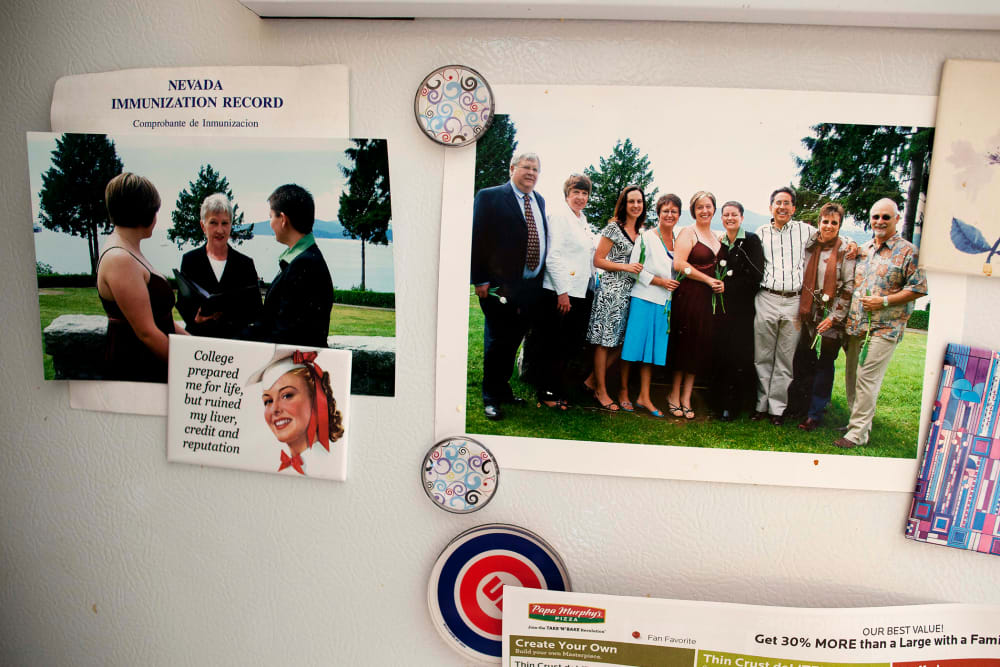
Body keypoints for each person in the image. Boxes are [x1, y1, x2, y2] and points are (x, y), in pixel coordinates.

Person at [834, 198, 927, 449]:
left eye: (886, 217)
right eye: (875, 217)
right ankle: (857, 422)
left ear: (897, 219)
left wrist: (884, 301)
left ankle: (857, 434)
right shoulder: (864, 249)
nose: (880, 221)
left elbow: (918, 288)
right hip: (857, 326)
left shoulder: (909, 252)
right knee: (853, 376)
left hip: (885, 327)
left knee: (867, 377)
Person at [470, 152, 547, 421]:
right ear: (512, 168)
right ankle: (490, 398)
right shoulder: (489, 197)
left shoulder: (539, 200)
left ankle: (502, 390)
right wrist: (480, 279)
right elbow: (477, 238)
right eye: (526, 167)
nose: (531, 173)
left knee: (513, 341)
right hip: (499, 286)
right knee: (497, 341)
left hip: (529, 287)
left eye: (536, 169)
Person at [96, 172, 188, 382]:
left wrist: (197, 347)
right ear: (143, 212)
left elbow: (161, 318)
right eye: (155, 211)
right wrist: (190, 369)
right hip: (138, 368)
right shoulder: (120, 259)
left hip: (151, 363)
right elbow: (146, 332)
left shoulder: (129, 250)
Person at [787, 202, 855, 431]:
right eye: (825, 221)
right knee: (803, 358)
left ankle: (815, 412)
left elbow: (849, 286)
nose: (829, 226)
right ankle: (800, 404)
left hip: (831, 317)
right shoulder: (809, 245)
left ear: (840, 225)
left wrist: (834, 317)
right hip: (808, 313)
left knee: (825, 363)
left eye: (834, 223)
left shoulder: (845, 250)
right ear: (819, 222)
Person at [751, 186, 814, 426]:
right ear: (771, 207)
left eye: (787, 203)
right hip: (766, 298)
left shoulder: (805, 231)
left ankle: (777, 409)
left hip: (794, 301)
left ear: (793, 208)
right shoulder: (761, 233)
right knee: (762, 356)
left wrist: (850, 245)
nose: (782, 207)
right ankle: (761, 405)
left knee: (785, 358)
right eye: (778, 203)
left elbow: (831, 236)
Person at [535, 173, 597, 410]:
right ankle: (546, 391)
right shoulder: (560, 217)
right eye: (576, 192)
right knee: (553, 344)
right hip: (560, 292)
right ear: (566, 194)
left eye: (584, 193)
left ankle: (558, 388)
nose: (580, 197)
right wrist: (563, 292)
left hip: (579, 292)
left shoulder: (581, 218)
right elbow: (553, 257)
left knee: (567, 345)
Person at [248, 184, 334, 348]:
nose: (270, 223)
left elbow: (285, 335)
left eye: (271, 217)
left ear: (283, 219)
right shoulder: (304, 260)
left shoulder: (304, 265)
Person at [620, 194, 682, 417]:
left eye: (674, 211)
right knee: (632, 347)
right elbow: (634, 269)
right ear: (658, 213)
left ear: (679, 215)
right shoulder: (646, 237)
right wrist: (660, 281)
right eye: (665, 211)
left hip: (664, 303)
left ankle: (644, 397)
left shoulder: (678, 240)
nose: (669, 215)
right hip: (644, 298)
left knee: (651, 352)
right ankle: (623, 391)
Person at [585, 185, 645, 412]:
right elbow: (598, 260)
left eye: (639, 201)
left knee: (624, 341)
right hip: (611, 292)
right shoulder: (613, 228)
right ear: (624, 204)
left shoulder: (642, 232)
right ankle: (601, 391)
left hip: (632, 293)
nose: (636, 205)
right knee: (604, 342)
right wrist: (626, 267)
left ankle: (592, 380)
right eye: (631, 201)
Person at [666, 190, 723, 420]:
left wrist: (718, 283)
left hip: (708, 301)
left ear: (714, 209)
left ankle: (687, 396)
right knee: (685, 346)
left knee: (698, 347)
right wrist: (707, 280)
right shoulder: (688, 233)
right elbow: (679, 264)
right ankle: (673, 394)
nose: (704, 211)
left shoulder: (717, 237)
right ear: (693, 211)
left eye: (708, 206)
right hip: (689, 296)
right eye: (700, 207)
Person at [176, 193, 262, 339]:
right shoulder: (190, 260)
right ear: (203, 226)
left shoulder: (245, 264)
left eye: (225, 223)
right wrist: (195, 317)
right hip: (200, 340)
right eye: (213, 223)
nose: (220, 230)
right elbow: (183, 302)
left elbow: (256, 309)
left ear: (231, 225)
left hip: (234, 341)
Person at [250, 348, 345, 476]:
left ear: (316, 398)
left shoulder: (327, 468)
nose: (274, 409)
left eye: (287, 395)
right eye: (268, 401)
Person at [710, 200, 764, 421]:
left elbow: (756, 275)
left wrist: (728, 287)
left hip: (742, 309)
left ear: (741, 217)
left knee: (739, 356)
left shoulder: (750, 240)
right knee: (721, 354)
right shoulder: (720, 242)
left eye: (734, 214)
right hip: (722, 309)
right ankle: (719, 403)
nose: (730, 218)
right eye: (726, 215)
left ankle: (735, 406)